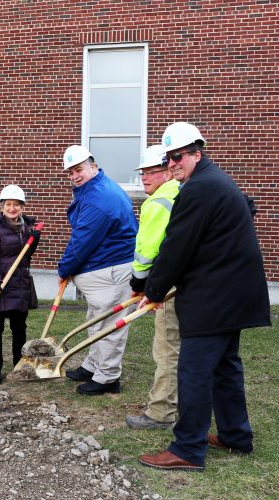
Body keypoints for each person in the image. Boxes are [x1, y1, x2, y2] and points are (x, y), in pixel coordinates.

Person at [138, 122, 270, 472]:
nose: (172, 164)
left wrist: (151, 290)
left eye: (178, 156)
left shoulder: (198, 189)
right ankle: (235, 436)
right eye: (168, 158)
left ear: (197, 152)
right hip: (235, 293)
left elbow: (177, 246)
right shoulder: (215, 181)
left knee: (194, 371)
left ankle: (187, 449)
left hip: (215, 297)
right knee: (226, 368)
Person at [58, 145, 138, 395]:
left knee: (110, 326)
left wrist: (64, 268)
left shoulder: (100, 199)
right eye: (70, 172)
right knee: (96, 321)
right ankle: (93, 365)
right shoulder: (94, 188)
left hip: (113, 271)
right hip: (104, 269)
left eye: (78, 169)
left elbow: (82, 242)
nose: (74, 175)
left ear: (93, 164)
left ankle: (108, 377)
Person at [125, 146, 181, 429]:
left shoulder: (159, 201)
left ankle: (161, 412)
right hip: (186, 283)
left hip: (170, 286)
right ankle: (176, 401)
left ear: (168, 171)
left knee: (167, 347)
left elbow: (147, 250)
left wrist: (139, 284)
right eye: (143, 173)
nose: (145, 178)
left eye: (151, 172)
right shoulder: (183, 192)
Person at [0, 185, 41, 385]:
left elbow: (25, 257)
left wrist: (34, 241)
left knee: (19, 327)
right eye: (8, 204)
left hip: (19, 283)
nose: (12, 208)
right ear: (2, 206)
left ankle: (19, 364)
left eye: (16, 204)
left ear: (22, 207)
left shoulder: (26, 227)